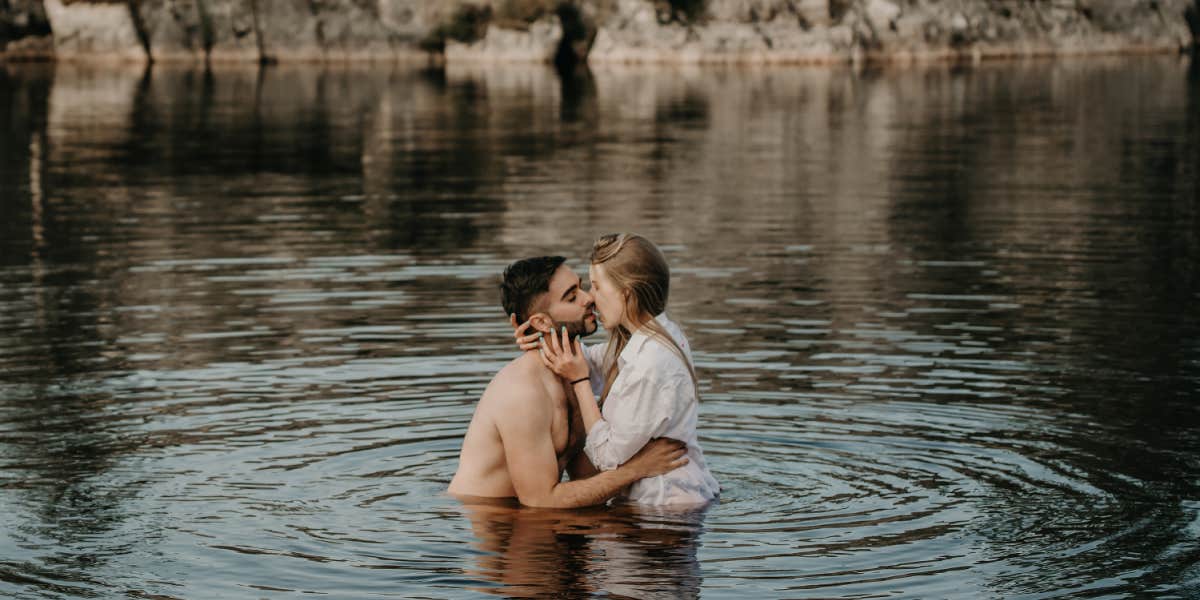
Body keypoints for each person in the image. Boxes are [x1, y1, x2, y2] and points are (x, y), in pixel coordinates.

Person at [448, 255, 689, 508]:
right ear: (541, 321)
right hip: (499, 519)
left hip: (541, 518)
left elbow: (588, 478)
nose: (589, 298)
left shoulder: (572, 371)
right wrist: (637, 468)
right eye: (572, 297)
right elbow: (539, 499)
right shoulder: (522, 392)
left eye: (583, 287)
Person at [520, 233, 720, 506]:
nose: (591, 298)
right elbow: (589, 361)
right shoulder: (653, 337)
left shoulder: (649, 364)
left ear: (626, 294)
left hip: (664, 511)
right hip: (666, 501)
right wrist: (542, 338)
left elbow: (607, 456)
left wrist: (579, 381)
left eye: (597, 287)